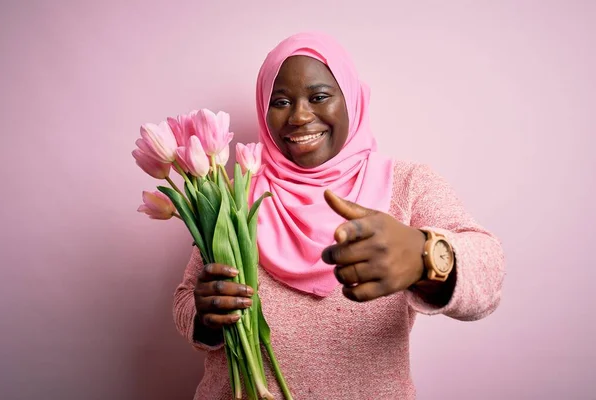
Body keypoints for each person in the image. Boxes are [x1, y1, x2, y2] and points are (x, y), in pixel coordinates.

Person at [173, 31, 505, 400]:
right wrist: (205, 317)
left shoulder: (407, 185)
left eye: (318, 97)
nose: (299, 116)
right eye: (281, 101)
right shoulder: (234, 192)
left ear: (351, 99)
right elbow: (187, 299)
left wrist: (426, 256)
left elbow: (488, 276)